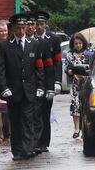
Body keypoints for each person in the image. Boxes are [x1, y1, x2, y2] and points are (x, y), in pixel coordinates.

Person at [0, 13, 46, 161]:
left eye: (23, 28)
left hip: (29, 90)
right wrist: (3, 87)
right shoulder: (5, 46)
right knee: (16, 120)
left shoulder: (34, 44)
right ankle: (17, 151)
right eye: (18, 28)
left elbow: (39, 67)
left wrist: (40, 86)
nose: (21, 31)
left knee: (28, 119)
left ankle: (28, 148)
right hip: (13, 90)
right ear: (13, 29)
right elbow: (1, 69)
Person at [34, 10, 62, 153]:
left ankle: (44, 142)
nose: (39, 27)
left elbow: (58, 62)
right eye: (37, 24)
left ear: (46, 25)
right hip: (35, 81)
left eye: (42, 24)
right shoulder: (31, 39)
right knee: (35, 112)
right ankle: (36, 141)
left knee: (46, 112)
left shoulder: (54, 39)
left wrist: (57, 81)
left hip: (49, 80)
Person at [65, 32, 91, 138]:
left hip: (86, 84)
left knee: (85, 106)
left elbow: (92, 67)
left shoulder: (89, 53)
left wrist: (86, 75)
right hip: (75, 84)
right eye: (76, 44)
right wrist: (72, 73)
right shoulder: (70, 55)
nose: (78, 45)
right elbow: (67, 69)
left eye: (80, 43)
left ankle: (85, 129)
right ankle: (76, 129)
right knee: (75, 105)